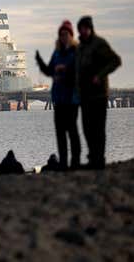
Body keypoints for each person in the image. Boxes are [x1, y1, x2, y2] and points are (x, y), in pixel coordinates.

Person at [76, 16, 121, 169]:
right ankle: (92, 156)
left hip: (99, 94)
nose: (83, 31)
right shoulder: (80, 47)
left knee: (98, 128)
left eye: (85, 28)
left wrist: (100, 76)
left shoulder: (99, 44)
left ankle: (99, 159)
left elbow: (115, 61)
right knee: (87, 128)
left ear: (90, 28)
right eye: (81, 28)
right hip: (85, 95)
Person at [35, 20, 81, 170]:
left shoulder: (76, 52)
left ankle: (75, 162)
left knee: (72, 131)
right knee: (60, 133)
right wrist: (40, 62)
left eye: (66, 34)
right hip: (58, 99)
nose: (63, 36)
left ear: (71, 35)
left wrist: (64, 70)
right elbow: (49, 71)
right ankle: (63, 163)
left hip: (72, 98)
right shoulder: (56, 53)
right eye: (61, 34)